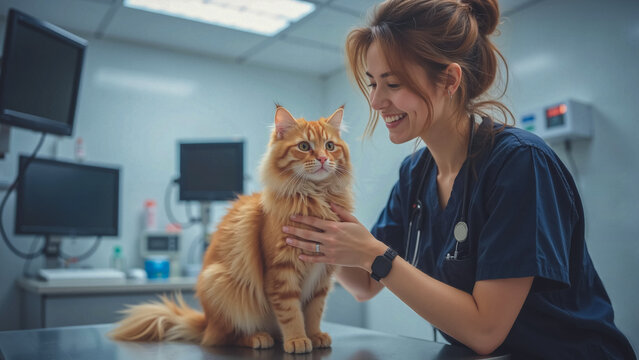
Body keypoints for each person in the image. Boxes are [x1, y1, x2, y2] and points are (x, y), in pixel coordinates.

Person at [281, 0, 637, 358]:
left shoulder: (519, 162)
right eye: (373, 83)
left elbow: (485, 331)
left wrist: (375, 255)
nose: (375, 101)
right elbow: (362, 285)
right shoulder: (415, 174)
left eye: (392, 83)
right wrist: (314, 227)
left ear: (450, 79)